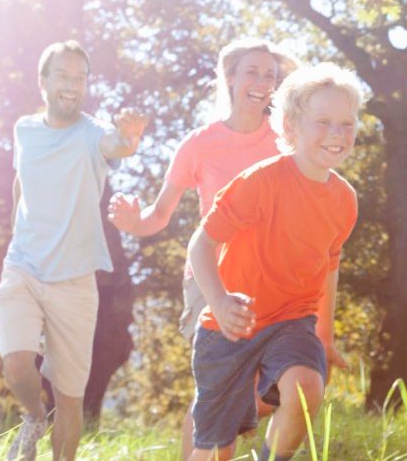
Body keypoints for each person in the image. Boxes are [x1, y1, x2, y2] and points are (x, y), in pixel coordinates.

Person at [107, 39, 344, 460]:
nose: (262, 82)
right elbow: (159, 215)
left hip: (274, 281)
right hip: (212, 278)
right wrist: (133, 221)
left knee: (267, 389)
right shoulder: (199, 144)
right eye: (251, 72)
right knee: (217, 391)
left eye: (270, 75)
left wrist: (323, 330)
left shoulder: (286, 140)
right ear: (229, 78)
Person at [186, 63, 363, 461]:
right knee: (216, 450)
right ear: (290, 126)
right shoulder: (259, 182)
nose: (337, 134)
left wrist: (325, 335)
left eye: (346, 124)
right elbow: (200, 245)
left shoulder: (344, 200)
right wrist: (219, 301)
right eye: (323, 122)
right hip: (230, 326)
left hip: (291, 320)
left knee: (306, 389)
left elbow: (329, 267)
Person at [0, 40, 148, 461]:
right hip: (23, 265)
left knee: (70, 397)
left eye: (80, 78)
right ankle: (32, 416)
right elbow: (19, 183)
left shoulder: (92, 133)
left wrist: (130, 138)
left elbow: (116, 145)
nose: (72, 85)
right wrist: (15, 234)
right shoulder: (24, 129)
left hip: (75, 278)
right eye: (63, 75)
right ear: (43, 81)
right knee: (16, 363)